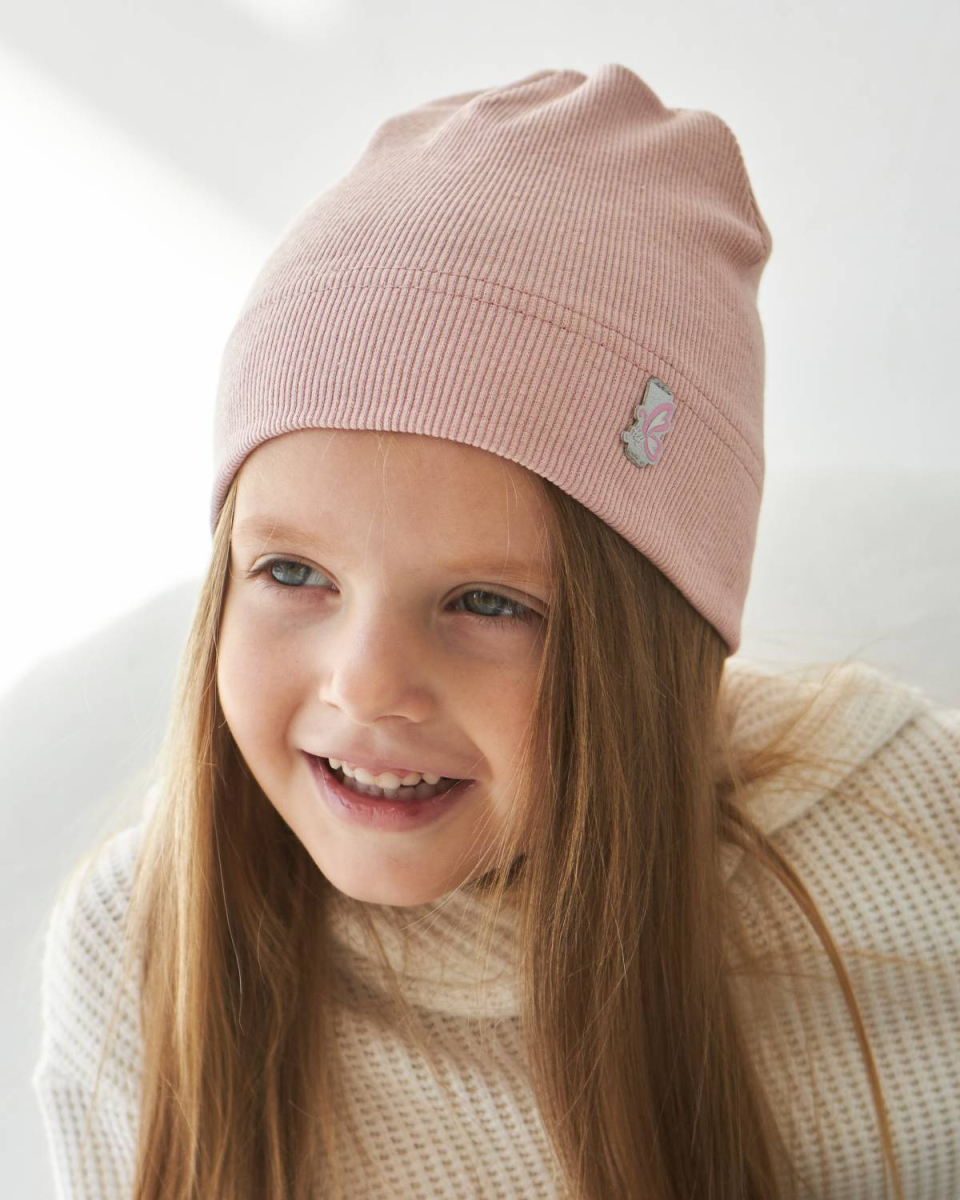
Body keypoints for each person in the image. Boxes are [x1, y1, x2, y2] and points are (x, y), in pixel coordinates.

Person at [32, 64, 959, 1199]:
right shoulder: (137, 958)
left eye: (487, 604)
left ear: (652, 657)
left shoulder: (908, 841)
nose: (366, 685)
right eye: (293, 573)